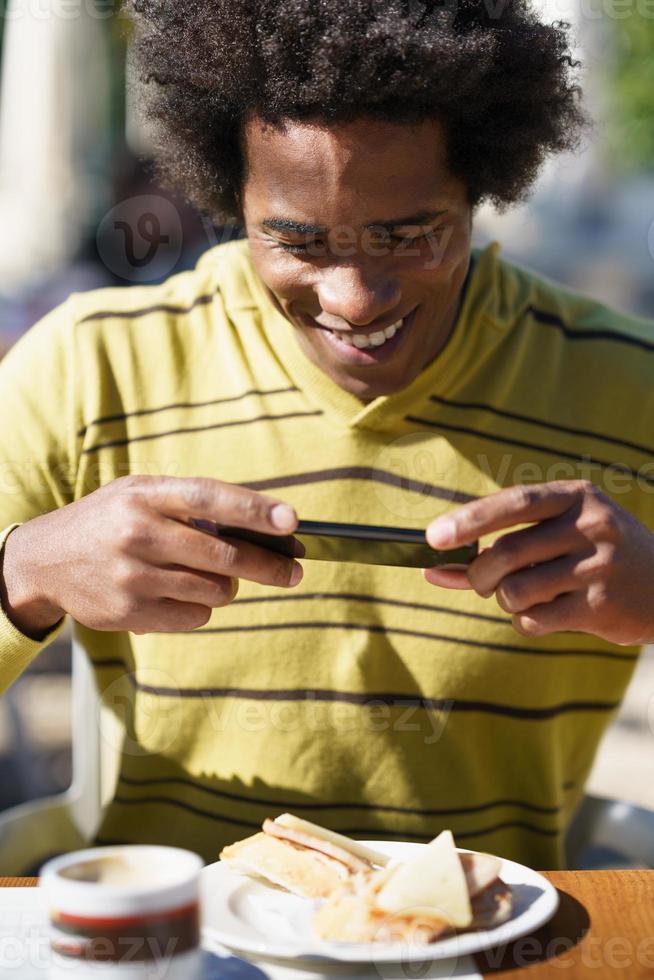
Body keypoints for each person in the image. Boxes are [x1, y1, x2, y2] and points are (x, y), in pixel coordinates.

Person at [1, 0, 654, 870]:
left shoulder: (628, 387)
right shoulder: (91, 368)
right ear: (226, 193)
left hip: (488, 944)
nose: (354, 298)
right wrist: (25, 574)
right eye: (298, 243)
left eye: (410, 234)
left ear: (484, 187)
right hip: (177, 946)